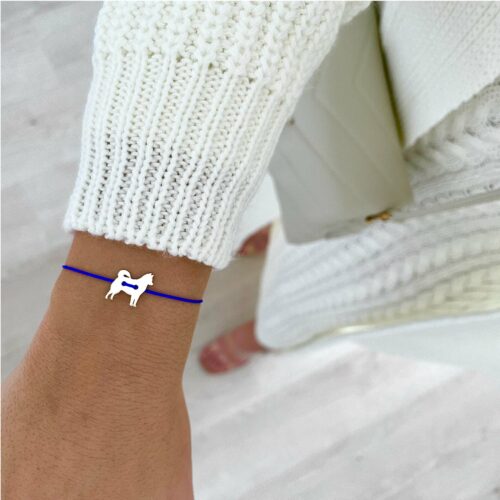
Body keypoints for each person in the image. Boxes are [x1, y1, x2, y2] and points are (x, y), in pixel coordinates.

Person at [2, 2, 499, 499]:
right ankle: (275, 252)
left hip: (474, 286)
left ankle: (270, 333)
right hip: (405, 96)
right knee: (299, 188)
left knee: (326, 304)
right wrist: (113, 330)